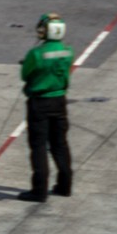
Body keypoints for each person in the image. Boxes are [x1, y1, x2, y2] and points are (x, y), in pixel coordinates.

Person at [16, 13, 74, 202]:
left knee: (39, 146)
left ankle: (39, 191)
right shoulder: (68, 50)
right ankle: (65, 186)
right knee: (60, 144)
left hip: (40, 102)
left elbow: (25, 75)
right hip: (59, 101)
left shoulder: (36, 53)